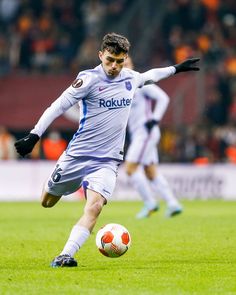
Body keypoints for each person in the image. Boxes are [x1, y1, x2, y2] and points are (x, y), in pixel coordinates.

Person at [14, 32, 199, 268]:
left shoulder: (130, 78)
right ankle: (54, 183)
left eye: (119, 61)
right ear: (101, 55)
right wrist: (35, 135)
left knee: (95, 206)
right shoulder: (88, 80)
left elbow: (150, 76)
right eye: (110, 59)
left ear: (125, 59)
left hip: (107, 161)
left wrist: (176, 68)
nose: (114, 66)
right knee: (47, 202)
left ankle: (65, 255)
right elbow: (58, 105)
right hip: (77, 156)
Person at [124, 57, 182, 218]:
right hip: (139, 134)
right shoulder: (123, 86)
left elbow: (163, 98)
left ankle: (150, 203)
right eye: (122, 63)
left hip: (145, 133)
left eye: (127, 63)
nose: (124, 66)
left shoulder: (140, 83)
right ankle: (172, 203)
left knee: (130, 168)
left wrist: (155, 119)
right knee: (150, 171)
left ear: (132, 65)